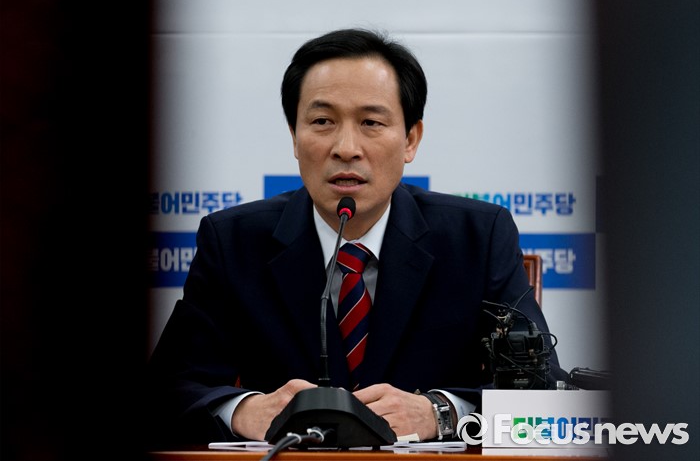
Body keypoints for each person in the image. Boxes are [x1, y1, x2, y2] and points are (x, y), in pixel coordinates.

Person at [145, 27, 569, 448]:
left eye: (371, 122)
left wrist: (441, 412)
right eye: (322, 121)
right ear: (294, 137)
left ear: (411, 139)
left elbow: (544, 394)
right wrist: (243, 410)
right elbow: (165, 393)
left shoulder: (477, 237)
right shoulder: (233, 241)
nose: (346, 147)